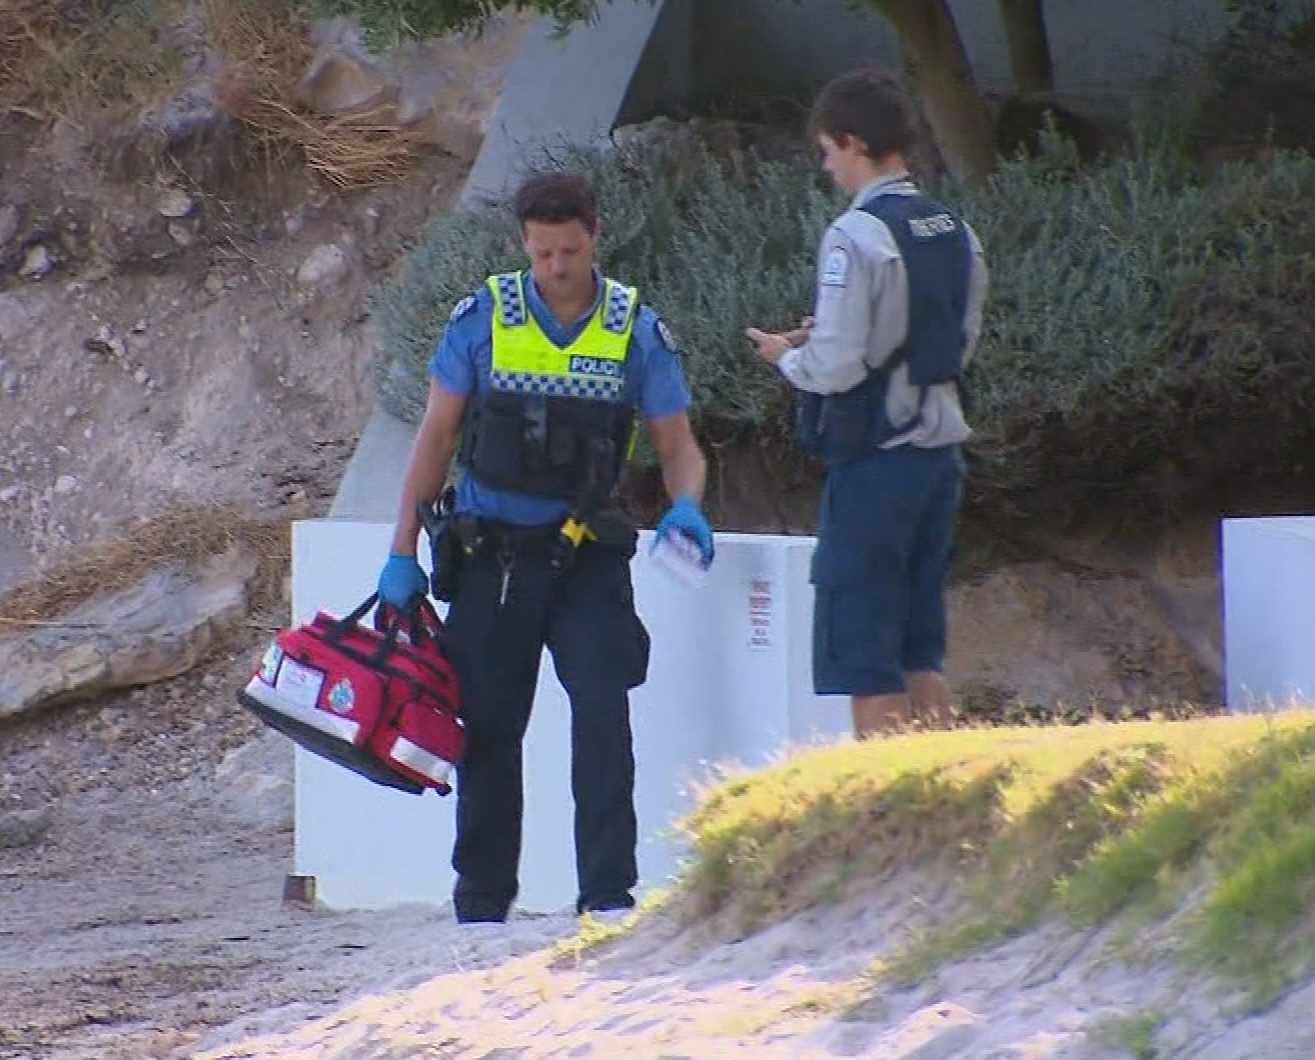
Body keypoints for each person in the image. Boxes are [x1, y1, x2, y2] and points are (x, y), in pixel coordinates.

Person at [378, 171, 714, 925]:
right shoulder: (484, 318)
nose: (556, 268)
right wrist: (402, 548)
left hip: (586, 558)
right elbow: (435, 437)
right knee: (491, 730)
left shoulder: (635, 329)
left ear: (595, 234)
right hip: (492, 559)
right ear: (524, 244)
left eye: (567, 250)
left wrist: (687, 504)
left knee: (602, 714)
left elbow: (678, 445)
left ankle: (607, 896)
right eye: (542, 253)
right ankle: (483, 903)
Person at [746, 66, 987, 740]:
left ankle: (883, 808)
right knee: (920, 645)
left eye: (828, 151)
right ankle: (942, 799)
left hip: (875, 461)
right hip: (939, 456)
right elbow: (954, 338)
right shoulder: (954, 230)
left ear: (851, 142)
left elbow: (837, 364)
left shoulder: (856, 236)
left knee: (866, 653)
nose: (828, 168)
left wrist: (785, 357)